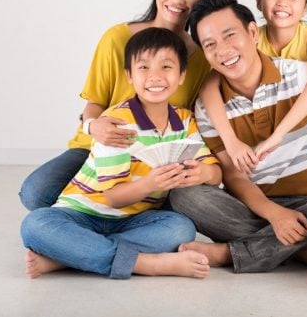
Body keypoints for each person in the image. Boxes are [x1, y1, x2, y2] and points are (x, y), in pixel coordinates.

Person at [168, 0, 307, 273]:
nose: (223, 50)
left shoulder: (299, 77)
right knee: (184, 197)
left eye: (230, 35)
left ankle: (233, 253)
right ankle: (298, 249)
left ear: (251, 32)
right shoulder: (208, 107)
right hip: (254, 207)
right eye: (210, 45)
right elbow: (233, 175)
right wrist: (274, 214)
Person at [21, 27, 222, 279]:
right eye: (144, 68)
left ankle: (69, 257)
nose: (155, 76)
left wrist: (204, 172)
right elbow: (114, 199)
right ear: (129, 75)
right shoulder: (116, 121)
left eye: (166, 67)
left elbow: (215, 172)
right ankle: (147, 264)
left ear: (182, 75)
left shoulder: (184, 121)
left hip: (135, 219)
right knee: (35, 225)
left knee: (180, 229)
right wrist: (151, 184)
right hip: (82, 213)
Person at [19, 0, 211, 210]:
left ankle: (111, 232)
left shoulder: (201, 56)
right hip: (100, 148)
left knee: (168, 215)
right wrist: (93, 127)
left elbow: (191, 122)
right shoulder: (116, 39)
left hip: (153, 161)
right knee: (36, 193)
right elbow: (94, 103)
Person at [198, 0, 307, 174]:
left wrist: (279, 135)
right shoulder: (248, 38)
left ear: (306, 6)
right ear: (258, 1)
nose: (282, 3)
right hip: (270, 145)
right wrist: (231, 141)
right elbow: (210, 85)